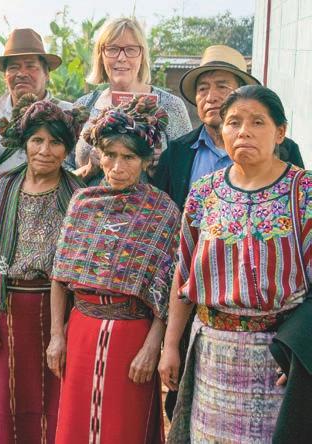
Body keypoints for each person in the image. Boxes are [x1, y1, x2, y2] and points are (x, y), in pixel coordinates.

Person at [151, 45, 306, 420]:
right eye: (234, 122)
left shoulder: (303, 191)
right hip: (211, 349)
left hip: (280, 351)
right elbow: (183, 270)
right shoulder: (202, 188)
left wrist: (303, 348)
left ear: (279, 132)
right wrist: (170, 344)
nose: (244, 132)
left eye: (257, 122)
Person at [47, 96, 181, 444]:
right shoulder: (82, 203)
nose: (118, 167)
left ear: (146, 160)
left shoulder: (162, 211)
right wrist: (57, 336)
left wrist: (153, 346)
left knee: (126, 428)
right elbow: (60, 277)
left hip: (132, 338)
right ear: (98, 155)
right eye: (110, 155)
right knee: (77, 423)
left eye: (129, 157)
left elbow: (167, 291)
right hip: (81, 332)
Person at [0, 94, 87, 444]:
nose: (45, 150)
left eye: (56, 142)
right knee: (5, 397)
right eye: (37, 140)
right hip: (4, 310)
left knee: (54, 397)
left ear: (68, 148)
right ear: (24, 143)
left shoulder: (79, 195)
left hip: (58, 313)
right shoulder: (2, 186)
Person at [154, 44, 304, 210]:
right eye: (203, 89)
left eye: (222, 86)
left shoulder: (284, 149)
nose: (211, 97)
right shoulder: (177, 152)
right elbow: (161, 212)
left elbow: (300, 207)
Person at [72, 17, 191, 183]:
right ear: (101, 55)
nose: (121, 57)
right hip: (88, 208)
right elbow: (60, 175)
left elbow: (188, 172)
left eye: (131, 49)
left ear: (142, 55)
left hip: (151, 208)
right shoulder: (83, 106)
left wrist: (163, 164)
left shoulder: (171, 106)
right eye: (112, 49)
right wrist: (89, 169)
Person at [0, 28, 72, 171]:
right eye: (14, 67)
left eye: (31, 66)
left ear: (47, 73)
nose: (21, 73)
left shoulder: (68, 113)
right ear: (4, 75)